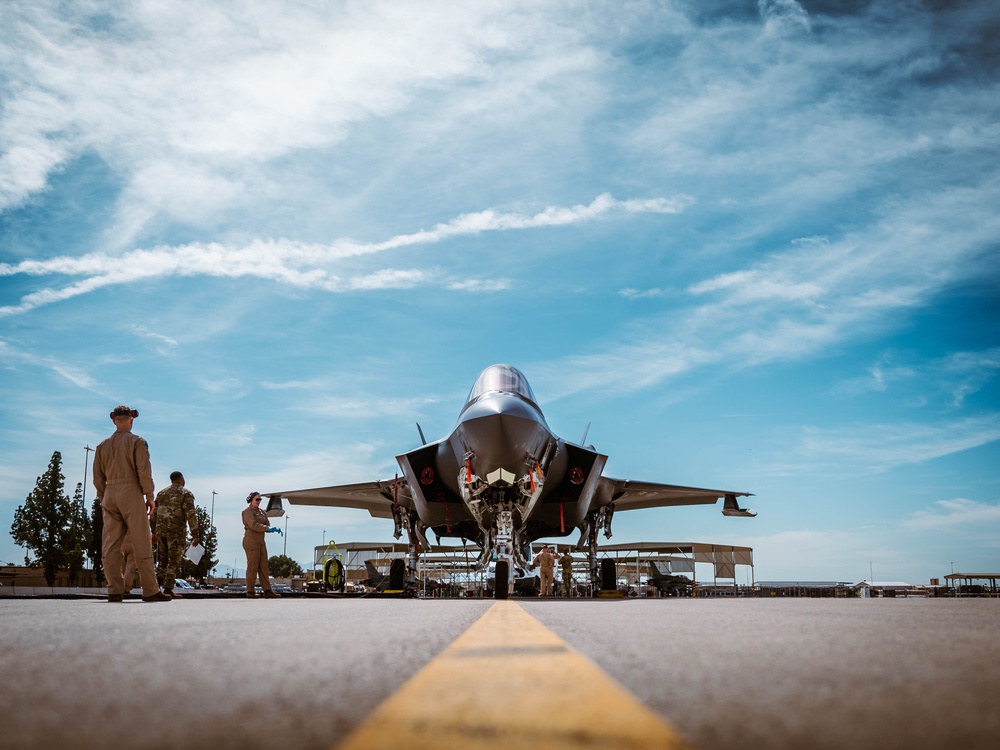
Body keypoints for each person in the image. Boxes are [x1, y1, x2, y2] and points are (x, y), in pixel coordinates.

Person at [93, 405, 171, 603]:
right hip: (131, 492)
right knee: (141, 543)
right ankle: (150, 590)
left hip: (109, 494)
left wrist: (103, 498)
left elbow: (97, 477)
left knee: (110, 545)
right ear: (131, 419)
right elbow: (143, 471)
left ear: (113, 420)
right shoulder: (137, 442)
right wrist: (149, 496)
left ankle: (114, 589)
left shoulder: (102, 446)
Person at [151, 471, 200, 598]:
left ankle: (156, 588)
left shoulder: (161, 494)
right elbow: (191, 514)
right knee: (174, 560)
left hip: (161, 531)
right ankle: (168, 588)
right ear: (181, 479)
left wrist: (153, 532)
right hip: (176, 532)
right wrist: (195, 534)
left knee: (162, 560)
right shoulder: (186, 493)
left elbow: (153, 514)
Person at [242, 492, 280, 599]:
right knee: (252, 566)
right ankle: (250, 591)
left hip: (261, 541)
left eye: (260, 500)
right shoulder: (247, 512)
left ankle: (267, 590)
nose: (259, 502)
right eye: (257, 499)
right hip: (251, 540)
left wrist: (270, 528)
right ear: (251, 500)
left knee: (264, 566)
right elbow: (253, 525)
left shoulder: (262, 512)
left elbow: (266, 524)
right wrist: (266, 528)